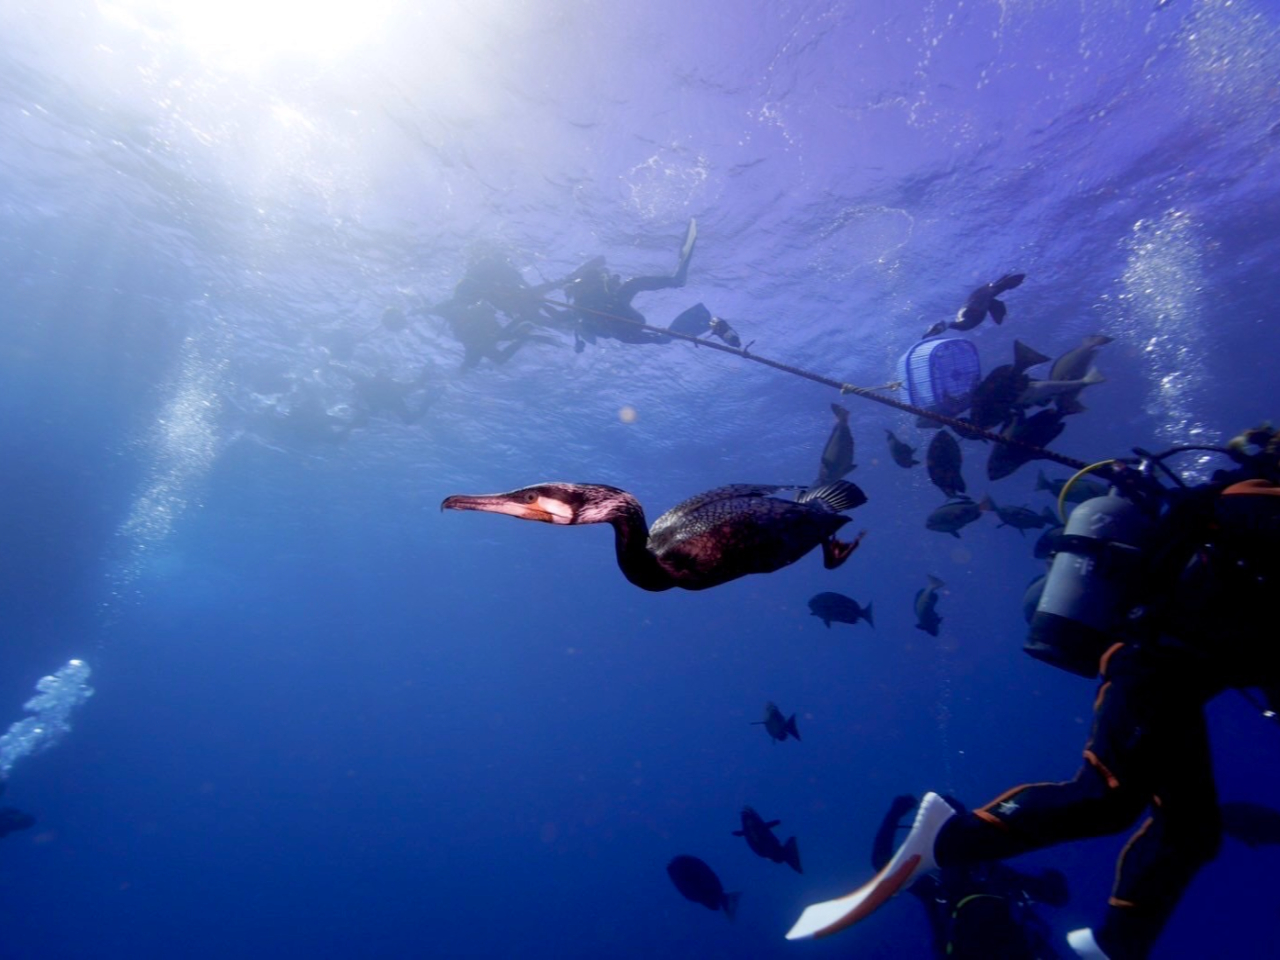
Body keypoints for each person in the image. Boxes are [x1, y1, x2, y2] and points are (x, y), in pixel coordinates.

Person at [788, 427, 1280, 960]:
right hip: (1154, 664)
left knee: (1191, 830)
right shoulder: (1251, 503)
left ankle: (1116, 947)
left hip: (1183, 676)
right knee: (1106, 797)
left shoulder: (1248, 514)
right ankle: (950, 840)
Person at [870, 794, 1068, 959]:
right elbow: (1056, 895)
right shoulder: (987, 874)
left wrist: (894, 816)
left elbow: (883, 865)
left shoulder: (944, 884)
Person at [562, 219, 699, 352]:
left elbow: (613, 281)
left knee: (631, 285)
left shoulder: (596, 287)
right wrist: (579, 342)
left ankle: (675, 281)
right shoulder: (578, 305)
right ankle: (663, 338)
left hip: (623, 317)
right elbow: (583, 330)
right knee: (638, 334)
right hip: (620, 329)